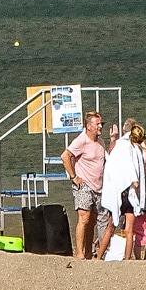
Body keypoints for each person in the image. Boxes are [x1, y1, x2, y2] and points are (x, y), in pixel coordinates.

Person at [98, 124, 146, 261]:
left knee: (111, 226)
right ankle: (127, 259)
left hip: (119, 190)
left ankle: (99, 257)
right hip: (129, 191)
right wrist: (134, 180)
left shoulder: (121, 146)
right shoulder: (132, 148)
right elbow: (131, 166)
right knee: (129, 229)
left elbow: (112, 164)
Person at [60, 110, 107, 260]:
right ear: (88, 126)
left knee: (93, 220)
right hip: (84, 184)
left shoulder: (101, 142)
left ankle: (88, 251)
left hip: (98, 186)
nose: (100, 126)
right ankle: (79, 252)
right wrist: (74, 176)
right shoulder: (81, 140)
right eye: (97, 124)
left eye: (101, 123)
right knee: (84, 217)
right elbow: (65, 156)